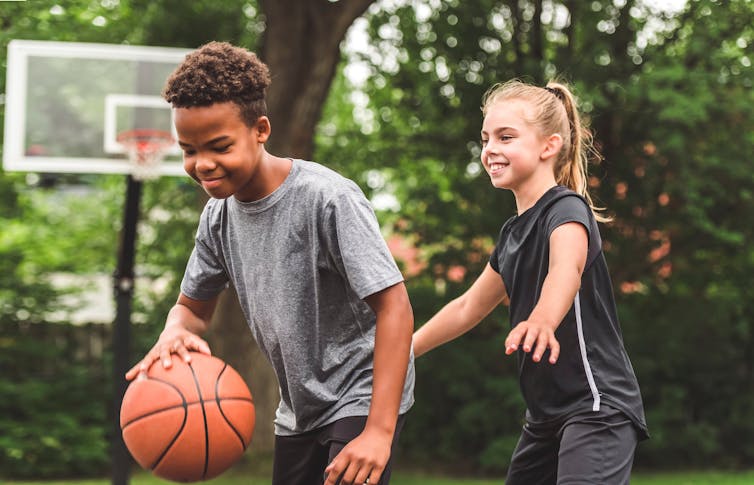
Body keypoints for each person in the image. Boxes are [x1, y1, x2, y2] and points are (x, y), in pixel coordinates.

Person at [125, 41, 415, 485]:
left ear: (260, 129)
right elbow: (191, 310)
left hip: (360, 394)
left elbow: (394, 307)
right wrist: (174, 332)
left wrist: (379, 430)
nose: (202, 164)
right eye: (188, 149)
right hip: (298, 410)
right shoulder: (218, 218)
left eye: (219, 146)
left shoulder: (327, 199)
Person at [412, 79, 648, 484]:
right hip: (545, 419)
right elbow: (468, 307)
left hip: (596, 407)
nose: (490, 149)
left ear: (548, 146)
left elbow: (566, 270)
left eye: (506, 137)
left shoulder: (566, 208)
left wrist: (541, 319)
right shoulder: (511, 235)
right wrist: (405, 350)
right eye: (486, 138)